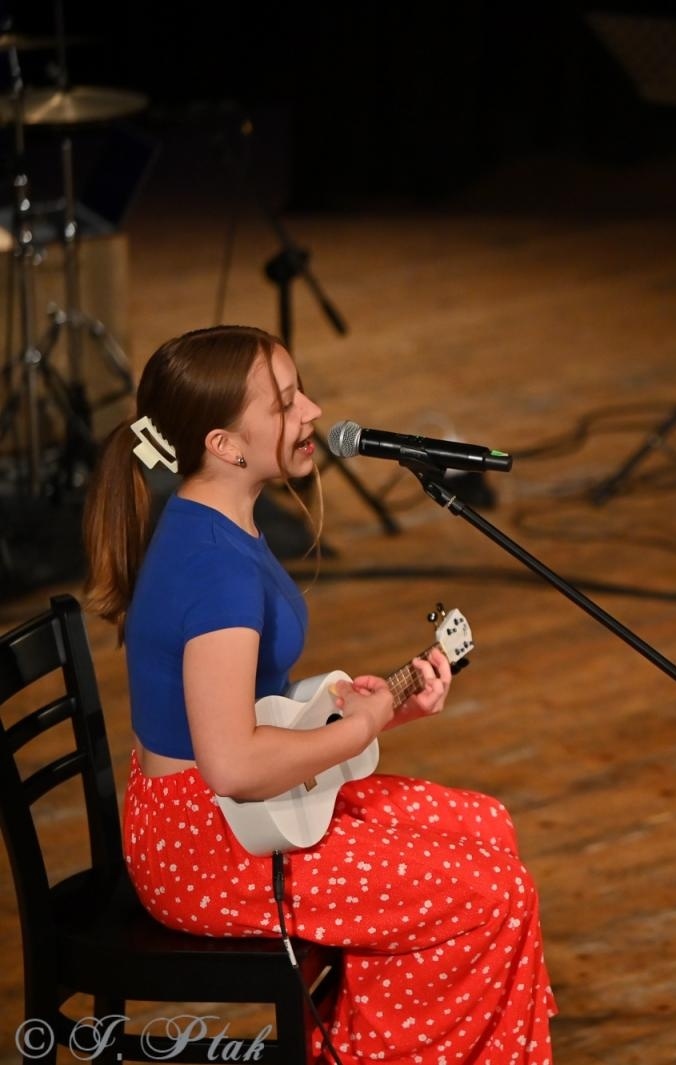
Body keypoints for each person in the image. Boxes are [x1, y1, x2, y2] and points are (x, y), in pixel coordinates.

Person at [82, 324, 556, 1062]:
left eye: (299, 390)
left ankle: (372, 1035)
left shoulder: (222, 519)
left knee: (487, 828)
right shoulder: (216, 571)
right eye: (284, 403)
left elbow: (249, 713)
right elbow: (234, 764)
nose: (312, 410)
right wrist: (362, 726)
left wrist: (378, 708)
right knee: (492, 895)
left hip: (236, 814)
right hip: (206, 843)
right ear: (226, 444)